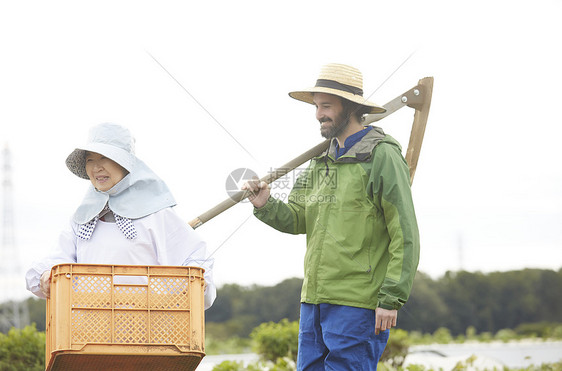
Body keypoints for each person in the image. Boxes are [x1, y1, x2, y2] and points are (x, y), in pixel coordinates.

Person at [242, 63, 420, 369]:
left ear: (350, 107)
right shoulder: (320, 161)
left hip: (357, 304)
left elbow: (405, 233)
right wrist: (266, 204)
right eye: (316, 106)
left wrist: (391, 298)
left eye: (326, 106)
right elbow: (298, 218)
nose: (318, 114)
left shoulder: (382, 155)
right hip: (313, 301)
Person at [26, 123, 216, 309]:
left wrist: (195, 284)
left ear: (125, 164)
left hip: (149, 329)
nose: (96, 167)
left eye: (104, 158)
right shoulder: (84, 218)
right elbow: (57, 262)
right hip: (89, 331)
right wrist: (46, 275)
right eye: (90, 160)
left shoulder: (157, 214)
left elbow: (196, 261)